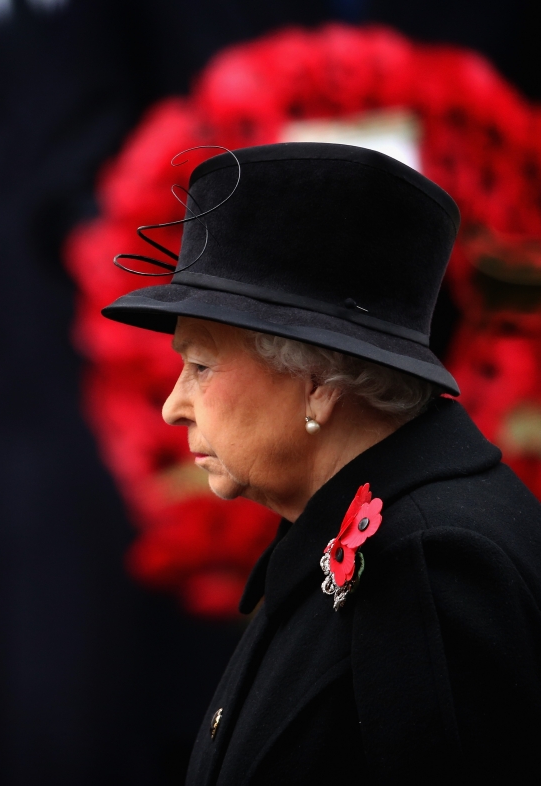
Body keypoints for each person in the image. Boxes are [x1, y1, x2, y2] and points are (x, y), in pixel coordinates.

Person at [101, 142, 541, 784]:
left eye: (199, 365)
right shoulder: (377, 526)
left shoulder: (431, 565)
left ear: (318, 382)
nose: (173, 406)